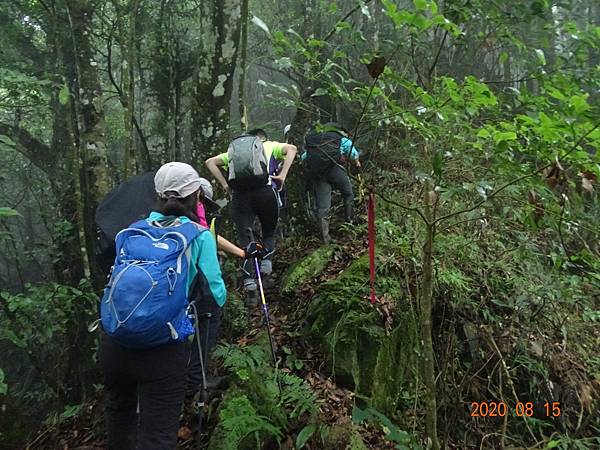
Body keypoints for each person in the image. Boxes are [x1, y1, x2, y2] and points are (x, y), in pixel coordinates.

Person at [98, 162, 227, 450]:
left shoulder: (132, 230)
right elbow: (215, 294)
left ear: (157, 194)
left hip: (115, 343)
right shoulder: (198, 235)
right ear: (196, 194)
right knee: (156, 436)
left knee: (119, 418)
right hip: (162, 349)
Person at [205, 128, 297, 305]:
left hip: (240, 197)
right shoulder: (271, 146)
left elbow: (210, 162)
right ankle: (266, 273)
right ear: (262, 138)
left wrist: (225, 185)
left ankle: (250, 288)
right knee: (269, 231)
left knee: (245, 240)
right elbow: (292, 149)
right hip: (266, 193)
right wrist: (282, 175)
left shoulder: (233, 152)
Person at [301, 124, 361, 244]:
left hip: (318, 174)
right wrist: (357, 162)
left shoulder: (314, 143)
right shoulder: (339, 138)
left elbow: (304, 157)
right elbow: (352, 152)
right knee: (348, 193)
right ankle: (349, 223)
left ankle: (325, 237)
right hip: (335, 169)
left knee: (323, 207)